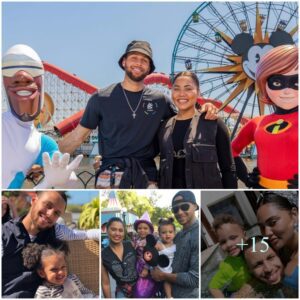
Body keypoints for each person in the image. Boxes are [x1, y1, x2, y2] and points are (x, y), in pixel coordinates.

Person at [58, 40, 217, 188]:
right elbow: (78, 136)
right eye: (134, 58)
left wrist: (205, 108)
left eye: (144, 60)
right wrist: (50, 157)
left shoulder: (160, 100)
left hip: (147, 172)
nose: (138, 63)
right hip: (110, 171)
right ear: (124, 62)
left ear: (149, 68)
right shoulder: (100, 98)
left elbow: (185, 118)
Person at [2, 44, 83, 189]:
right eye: (13, 75)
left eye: (30, 75)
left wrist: (58, 180)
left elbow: (70, 180)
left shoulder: (43, 143)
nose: (22, 77)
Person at [2, 191, 99, 298]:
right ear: (34, 200)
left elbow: (85, 234)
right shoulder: (4, 233)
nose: (50, 214)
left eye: (56, 213)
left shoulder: (56, 231)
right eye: (48, 205)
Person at [232, 45, 298, 189]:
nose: (287, 91)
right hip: (262, 189)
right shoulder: (257, 122)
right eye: (277, 82)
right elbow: (231, 150)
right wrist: (246, 177)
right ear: (264, 83)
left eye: (296, 82)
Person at [158, 71, 237, 189]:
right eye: (176, 89)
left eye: (188, 89)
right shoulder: (164, 127)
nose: (181, 94)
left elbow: (228, 169)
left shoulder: (214, 123)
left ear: (198, 92)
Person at [151, 190, 199, 298]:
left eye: (185, 206)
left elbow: (195, 279)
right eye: (175, 209)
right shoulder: (177, 236)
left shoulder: (197, 234)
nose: (180, 212)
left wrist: (163, 275)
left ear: (195, 206)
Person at [256, 192, 298, 294]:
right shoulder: (280, 251)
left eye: (273, 222)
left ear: (294, 215)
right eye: (262, 227)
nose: (267, 233)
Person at [22, 242, 96, 298]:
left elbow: (85, 292)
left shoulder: (72, 279)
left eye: (63, 267)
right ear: (42, 273)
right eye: (54, 269)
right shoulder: (43, 291)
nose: (61, 272)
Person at [208, 214, 251, 298]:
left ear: (245, 235)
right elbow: (213, 287)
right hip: (233, 293)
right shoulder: (228, 266)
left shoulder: (256, 249)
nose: (228, 244)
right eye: (223, 242)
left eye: (233, 238)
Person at [101, 217, 138, 298]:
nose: (117, 233)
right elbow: (105, 283)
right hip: (122, 291)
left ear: (124, 233)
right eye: (113, 229)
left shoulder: (131, 245)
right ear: (107, 230)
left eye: (121, 230)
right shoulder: (103, 255)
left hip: (141, 287)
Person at [131, 211, 158, 298]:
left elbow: (151, 256)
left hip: (146, 266)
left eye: (145, 228)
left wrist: (146, 268)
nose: (142, 230)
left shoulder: (150, 242)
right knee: (136, 287)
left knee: (143, 290)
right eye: (139, 228)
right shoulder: (136, 240)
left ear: (150, 230)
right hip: (137, 266)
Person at [155, 217, 176, 298]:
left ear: (174, 233)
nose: (167, 234)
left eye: (170, 232)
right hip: (163, 268)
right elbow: (152, 256)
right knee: (167, 280)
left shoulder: (175, 243)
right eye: (164, 232)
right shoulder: (159, 245)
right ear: (159, 234)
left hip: (173, 266)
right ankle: (169, 296)